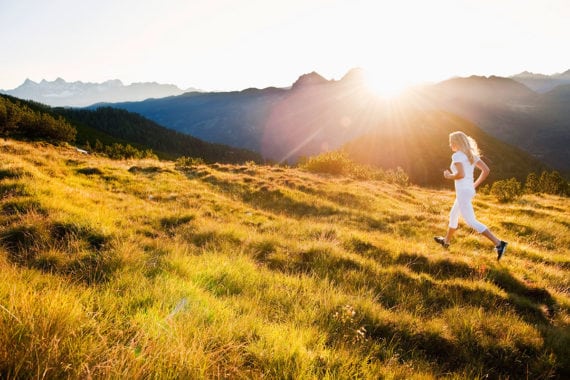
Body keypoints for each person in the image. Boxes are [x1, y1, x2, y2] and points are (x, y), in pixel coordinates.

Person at [434, 131, 507, 260]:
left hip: (463, 191)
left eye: (451, 142)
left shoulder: (457, 156)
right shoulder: (471, 155)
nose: (450, 145)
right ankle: (446, 241)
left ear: (456, 143)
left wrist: (448, 176)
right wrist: (474, 184)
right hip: (468, 190)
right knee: (453, 215)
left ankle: (499, 243)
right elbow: (486, 170)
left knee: (471, 221)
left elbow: (460, 174)